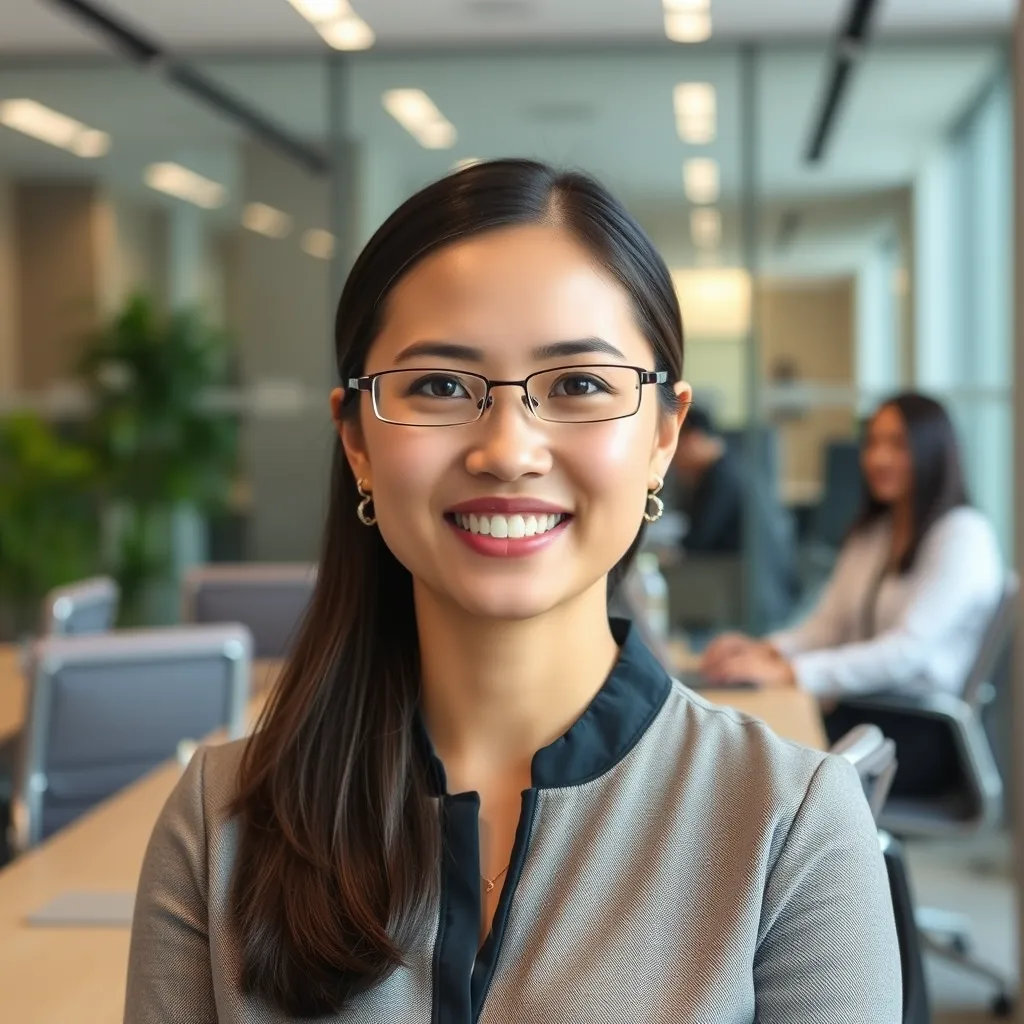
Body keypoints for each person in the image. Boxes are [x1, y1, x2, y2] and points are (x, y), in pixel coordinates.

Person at [124, 160, 900, 1022]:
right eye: (439, 387)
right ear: (356, 444)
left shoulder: (786, 825)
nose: (508, 450)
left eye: (578, 386)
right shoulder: (222, 822)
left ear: (663, 436)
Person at [702, 394, 1003, 791]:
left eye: (897, 444)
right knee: (743, 737)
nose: (878, 457)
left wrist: (789, 672)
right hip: (867, 712)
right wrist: (765, 652)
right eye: (873, 442)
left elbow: (904, 654)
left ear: (932, 451)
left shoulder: (962, 535)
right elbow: (828, 625)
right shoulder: (877, 531)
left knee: (759, 761)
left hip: (917, 732)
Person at [672, 405, 799, 628]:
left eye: (674, 445)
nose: (672, 459)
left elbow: (697, 543)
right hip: (750, 589)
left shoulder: (722, 479)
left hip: (750, 599)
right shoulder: (729, 465)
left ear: (693, 439)